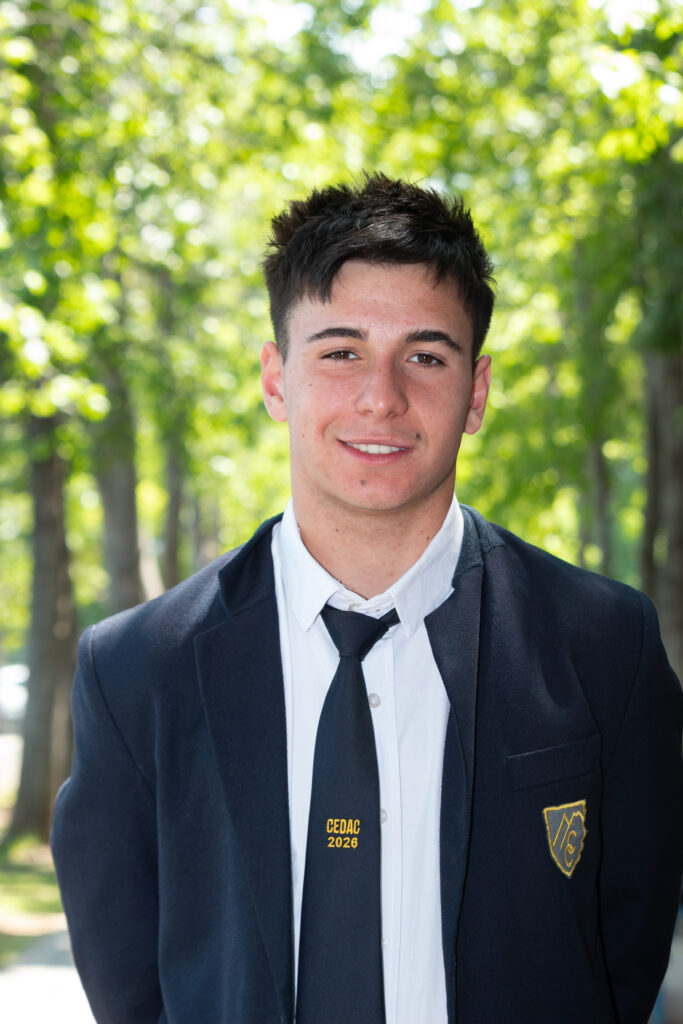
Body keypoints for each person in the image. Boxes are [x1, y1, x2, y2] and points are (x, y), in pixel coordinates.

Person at [51, 174, 683, 1024]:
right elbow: (128, 981)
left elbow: (625, 955)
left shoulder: (604, 645)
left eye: (425, 356)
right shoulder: (136, 670)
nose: (381, 397)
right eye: (340, 352)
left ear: (476, 392)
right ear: (276, 380)